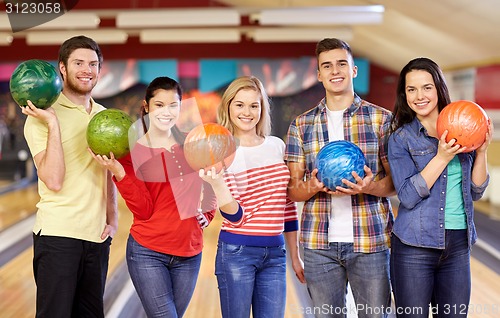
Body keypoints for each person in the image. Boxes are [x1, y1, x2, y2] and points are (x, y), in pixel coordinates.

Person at [284, 38, 395, 318]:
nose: (335, 71)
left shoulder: (382, 120)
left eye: (342, 63)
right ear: (319, 75)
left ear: (354, 70)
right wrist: (313, 185)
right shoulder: (301, 125)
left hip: (371, 240)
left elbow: (395, 184)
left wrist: (370, 186)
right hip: (319, 246)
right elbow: (293, 191)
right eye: (327, 66)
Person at [90, 76, 216, 317]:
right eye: (159, 105)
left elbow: (211, 184)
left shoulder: (193, 144)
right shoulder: (132, 150)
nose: (166, 112)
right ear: (146, 106)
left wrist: (208, 214)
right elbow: (143, 209)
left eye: (173, 105)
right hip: (148, 251)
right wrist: (118, 172)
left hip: (190, 253)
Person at [388, 57, 492, 317]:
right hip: (414, 246)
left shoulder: (462, 128)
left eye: (426, 87)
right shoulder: (402, 138)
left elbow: (477, 191)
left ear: (438, 89)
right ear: (404, 94)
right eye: (411, 89)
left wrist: (482, 152)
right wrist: (442, 157)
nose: (419, 96)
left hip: (458, 245)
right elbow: (408, 196)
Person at [22, 35, 118, 317]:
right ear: (62, 68)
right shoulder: (41, 114)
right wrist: (53, 123)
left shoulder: (103, 116)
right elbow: (52, 180)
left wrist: (112, 218)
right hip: (58, 235)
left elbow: (108, 173)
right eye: (78, 63)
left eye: (93, 63)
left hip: (97, 237)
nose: (87, 69)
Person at [199, 75, 305, 318]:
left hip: (276, 255)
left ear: (262, 109)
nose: (247, 112)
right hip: (237, 252)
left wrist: (295, 256)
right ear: (228, 107)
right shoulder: (221, 150)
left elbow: (287, 207)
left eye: (254, 105)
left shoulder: (277, 146)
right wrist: (217, 184)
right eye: (240, 104)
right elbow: (235, 217)